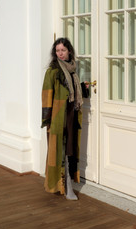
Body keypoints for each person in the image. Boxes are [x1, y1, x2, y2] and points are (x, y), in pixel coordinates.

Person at [41, 38, 88, 200]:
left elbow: (72, 91)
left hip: (72, 114)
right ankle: (65, 185)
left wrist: (83, 88)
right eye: (57, 50)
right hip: (58, 117)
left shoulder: (73, 70)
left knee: (70, 149)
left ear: (69, 51)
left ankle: (68, 183)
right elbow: (46, 95)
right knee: (60, 151)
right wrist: (47, 120)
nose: (60, 53)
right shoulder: (53, 71)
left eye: (63, 50)